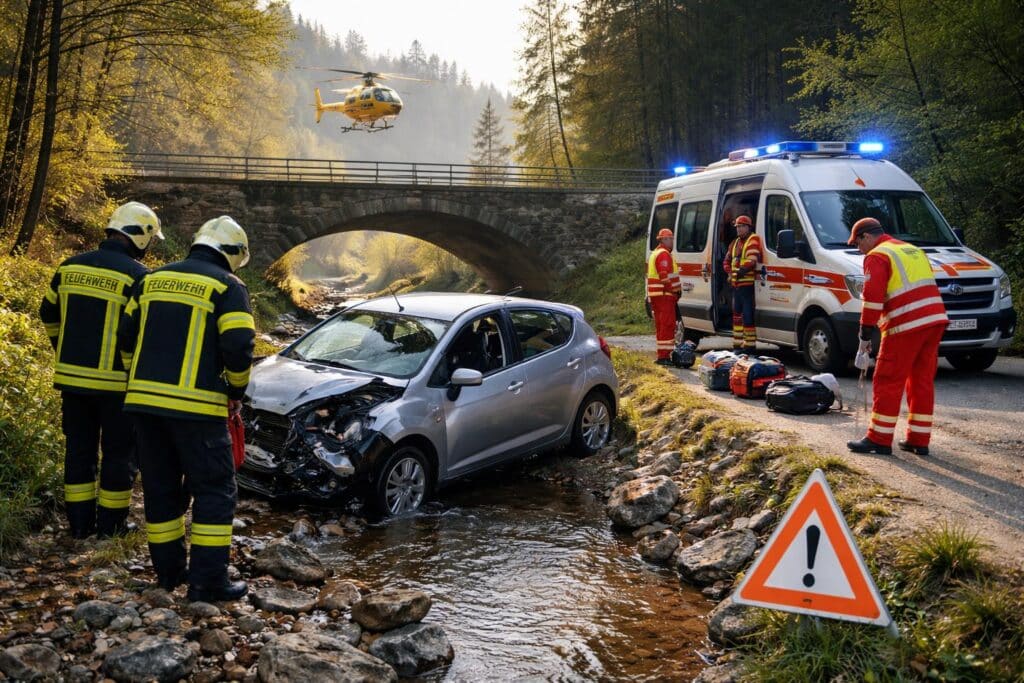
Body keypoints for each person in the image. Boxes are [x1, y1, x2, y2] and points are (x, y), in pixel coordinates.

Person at [118, 216, 255, 601]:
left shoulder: (150, 280)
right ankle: (208, 583)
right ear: (232, 253)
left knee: (160, 490)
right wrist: (236, 390)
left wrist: (137, 379)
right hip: (199, 411)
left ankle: (169, 574)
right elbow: (239, 344)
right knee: (214, 491)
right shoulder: (228, 286)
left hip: (144, 408)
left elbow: (125, 338)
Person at [39, 202, 163, 539]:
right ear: (140, 237)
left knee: (78, 451)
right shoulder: (139, 277)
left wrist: (61, 349)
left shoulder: (68, 268)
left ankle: (79, 526)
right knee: (118, 455)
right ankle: (112, 527)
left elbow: (48, 315)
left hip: (72, 383)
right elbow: (141, 333)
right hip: (116, 386)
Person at [845, 217, 947, 456]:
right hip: (934, 320)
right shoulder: (911, 250)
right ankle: (918, 439)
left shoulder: (878, 256)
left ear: (867, 236)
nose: (858, 250)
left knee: (887, 378)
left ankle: (879, 439)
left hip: (906, 324)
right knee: (921, 380)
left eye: (858, 244)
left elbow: (872, 297)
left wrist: (865, 332)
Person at [723, 215, 762, 350]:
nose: (738, 229)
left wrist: (740, 271)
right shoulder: (734, 243)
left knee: (747, 316)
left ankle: (750, 346)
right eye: (737, 227)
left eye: (741, 226)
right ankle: (737, 345)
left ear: (748, 227)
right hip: (736, 286)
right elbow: (726, 261)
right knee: (737, 316)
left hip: (747, 286)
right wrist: (730, 272)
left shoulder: (753, 239)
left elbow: (752, 260)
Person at [647, 228, 681, 365]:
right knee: (667, 325)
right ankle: (665, 356)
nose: (672, 241)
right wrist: (673, 291)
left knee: (661, 325)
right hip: (664, 295)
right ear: (664, 240)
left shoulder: (655, 253)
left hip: (657, 295)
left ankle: (662, 355)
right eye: (671, 239)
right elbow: (664, 276)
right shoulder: (664, 254)